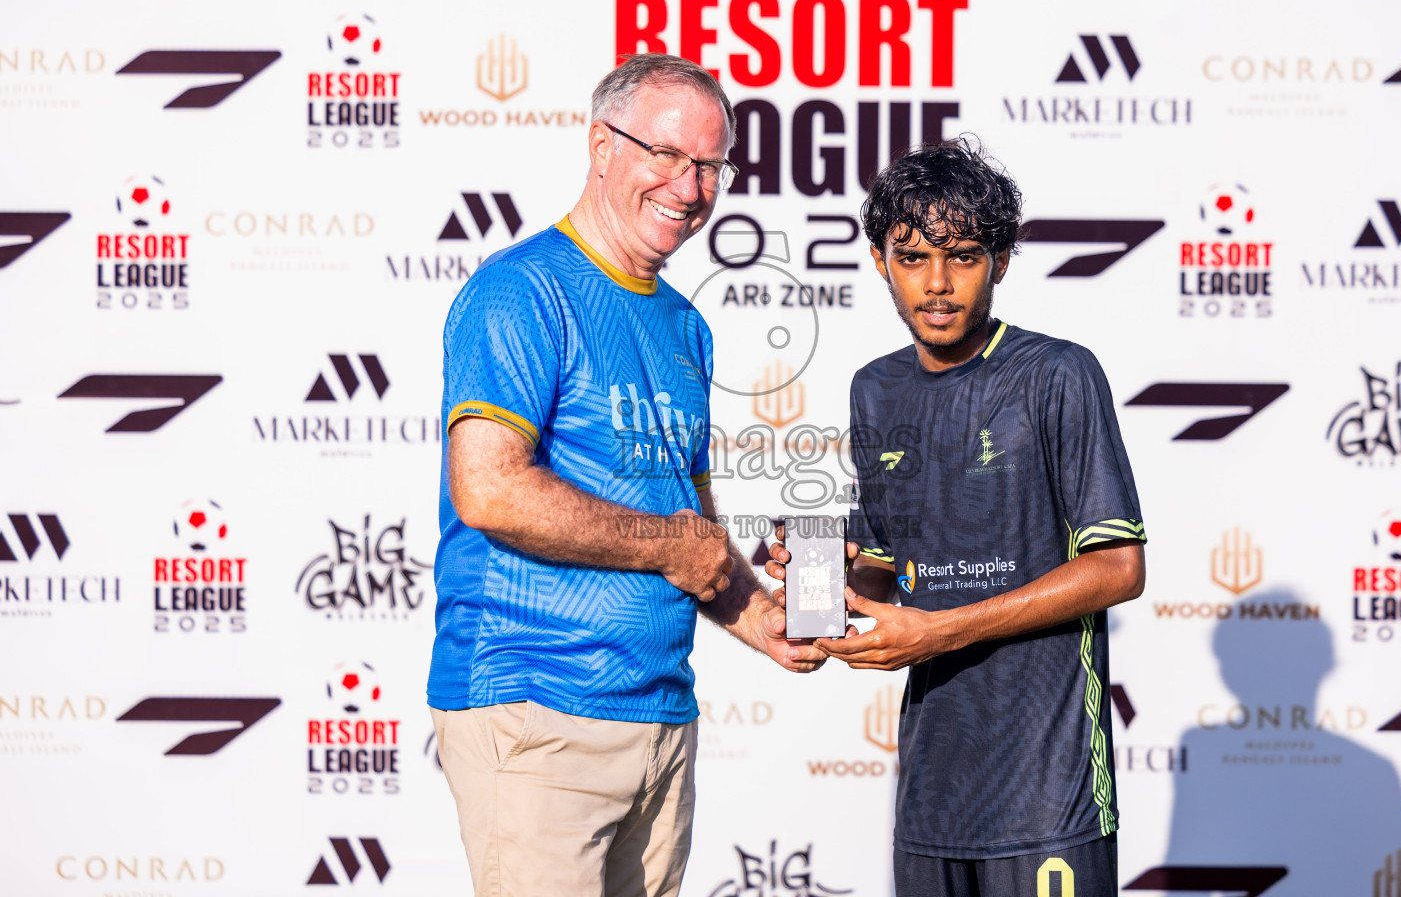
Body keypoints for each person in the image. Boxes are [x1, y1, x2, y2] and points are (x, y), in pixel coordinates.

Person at [429, 53, 825, 897]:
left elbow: (690, 530)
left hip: (660, 720)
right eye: (667, 154)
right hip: (537, 708)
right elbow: (489, 489)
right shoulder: (521, 292)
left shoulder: (684, 327)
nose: (689, 187)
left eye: (710, 166)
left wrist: (765, 618)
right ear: (601, 145)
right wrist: (666, 544)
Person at [768, 138, 1147, 897]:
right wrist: (831, 583)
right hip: (931, 796)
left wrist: (941, 632)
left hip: (1048, 795)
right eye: (912, 258)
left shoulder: (1057, 372)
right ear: (880, 261)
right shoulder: (875, 388)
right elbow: (888, 563)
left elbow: (1118, 568)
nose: (937, 284)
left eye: (963, 257)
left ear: (1000, 261)